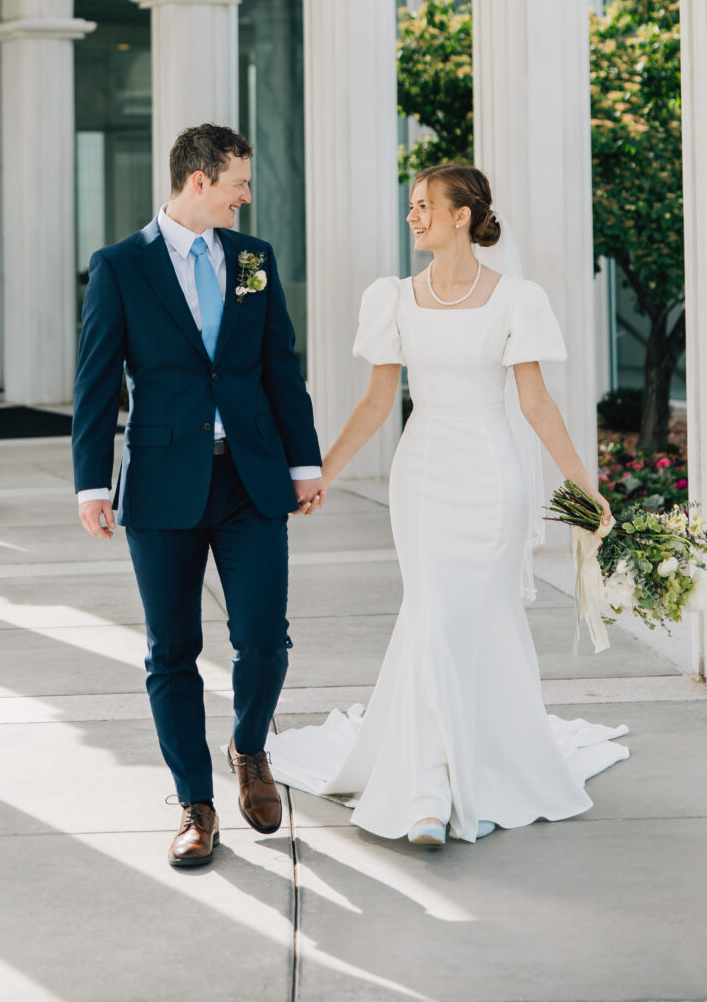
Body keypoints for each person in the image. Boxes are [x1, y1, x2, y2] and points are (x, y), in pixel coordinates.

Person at [266, 164, 629, 845]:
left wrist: (584, 486)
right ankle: (429, 789)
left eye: (425, 205)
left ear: (462, 215)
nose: (413, 216)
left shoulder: (515, 299)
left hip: (492, 481)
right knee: (433, 615)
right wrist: (320, 475)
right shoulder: (395, 299)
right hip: (423, 478)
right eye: (411, 205)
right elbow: (377, 402)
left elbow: (536, 404)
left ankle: (472, 769)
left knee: (476, 620)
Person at [71, 123, 325, 870]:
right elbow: (95, 383)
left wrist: (304, 462)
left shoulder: (252, 259)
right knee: (172, 650)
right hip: (160, 483)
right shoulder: (120, 266)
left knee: (265, 638)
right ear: (200, 180)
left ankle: (249, 748)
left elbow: (280, 366)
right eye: (239, 182)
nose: (247, 195)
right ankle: (195, 804)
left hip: (251, 477)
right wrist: (92, 482)